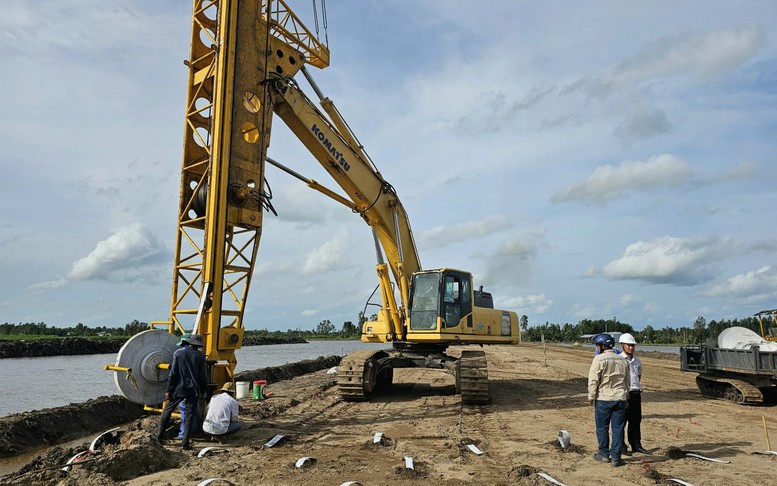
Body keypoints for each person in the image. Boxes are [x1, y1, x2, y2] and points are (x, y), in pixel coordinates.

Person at [157, 333, 208, 450]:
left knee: (167, 412)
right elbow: (203, 377)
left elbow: (173, 374)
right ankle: (185, 443)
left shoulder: (178, 354)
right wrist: (202, 391)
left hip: (178, 389)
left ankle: (159, 438)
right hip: (193, 390)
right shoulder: (200, 356)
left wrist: (169, 390)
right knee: (189, 417)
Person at [588, 333, 631, 467]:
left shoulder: (599, 359)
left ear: (601, 346)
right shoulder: (623, 360)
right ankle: (616, 458)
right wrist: (626, 396)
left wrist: (590, 396)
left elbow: (593, 379)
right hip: (620, 398)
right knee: (618, 428)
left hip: (603, 399)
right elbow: (627, 382)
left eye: (597, 345)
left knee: (602, 427)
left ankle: (604, 454)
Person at [619, 333, 648, 454]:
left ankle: (636, 445)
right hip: (624, 395)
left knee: (636, 421)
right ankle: (621, 446)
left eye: (633, 346)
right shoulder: (619, 360)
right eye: (629, 345)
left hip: (635, 394)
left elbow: (638, 376)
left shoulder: (637, 361)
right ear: (622, 345)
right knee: (621, 422)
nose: (631, 348)